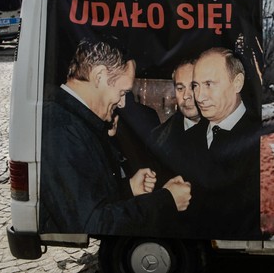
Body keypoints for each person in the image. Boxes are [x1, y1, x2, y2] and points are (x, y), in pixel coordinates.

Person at [39, 36, 192, 236]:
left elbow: (88, 195)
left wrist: (128, 188)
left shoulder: (74, 119)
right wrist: (166, 201)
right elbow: (92, 223)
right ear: (100, 76)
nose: (122, 103)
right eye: (122, 92)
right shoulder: (61, 128)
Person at [189, 46, 261, 239]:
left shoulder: (261, 139)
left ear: (237, 83)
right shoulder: (188, 137)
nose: (199, 97)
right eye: (196, 85)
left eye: (209, 84)